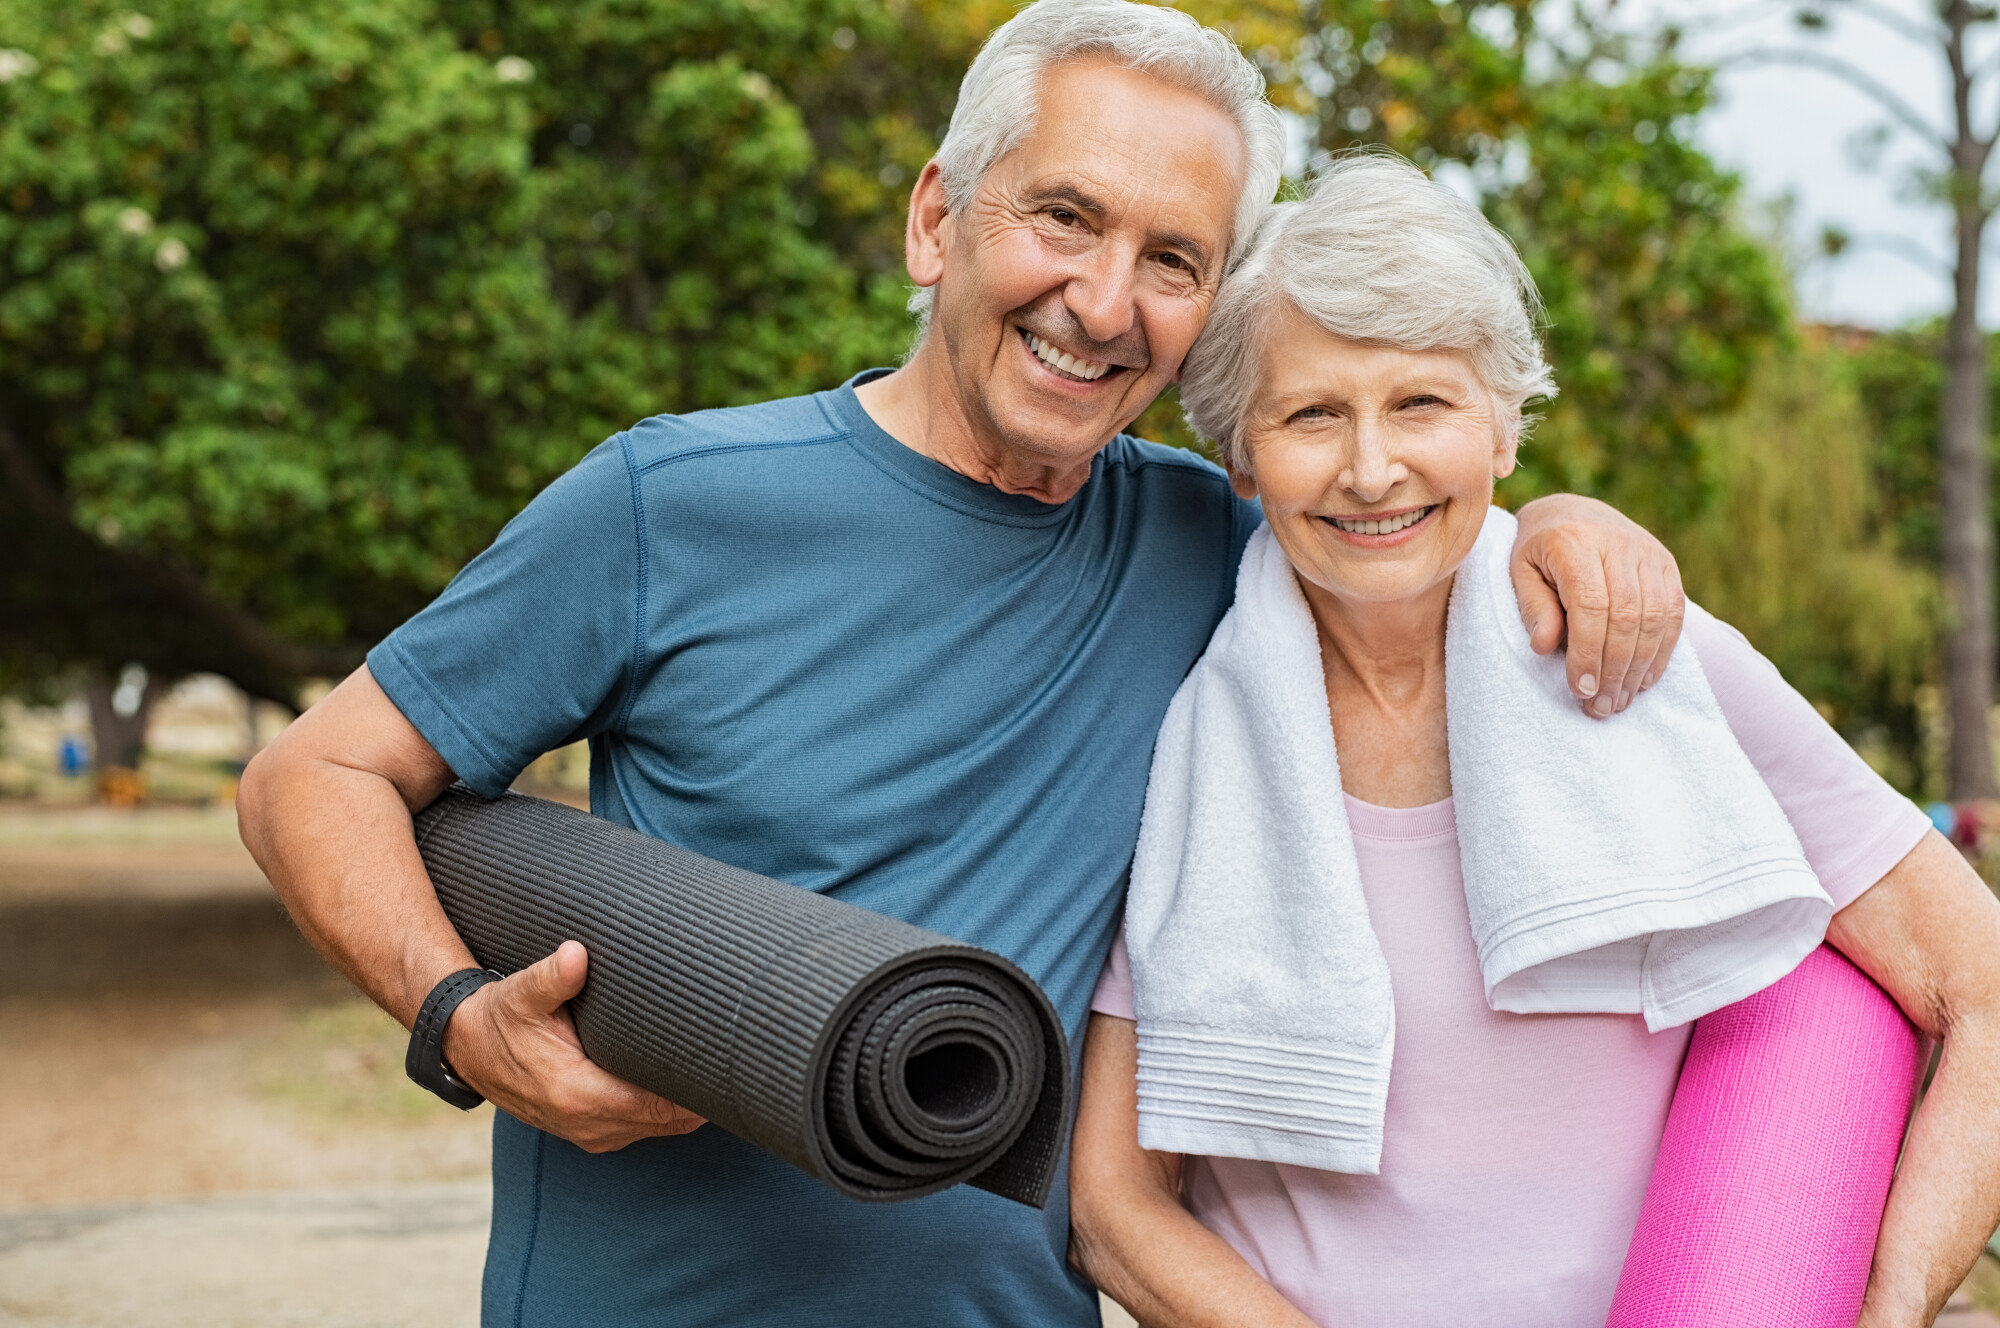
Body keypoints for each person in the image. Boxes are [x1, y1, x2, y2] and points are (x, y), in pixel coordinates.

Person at [235, 5, 1687, 1326]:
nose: (1106, 302)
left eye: (1172, 261)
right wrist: (452, 1020)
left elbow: (1393, 495)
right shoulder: (667, 504)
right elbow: (318, 772)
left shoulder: (1215, 551)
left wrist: (1557, 521)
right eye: (1064, 217)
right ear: (937, 218)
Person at [1067, 153, 2000, 1328]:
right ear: (1240, 459)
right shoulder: (1177, 724)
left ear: (1502, 428)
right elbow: (1114, 1204)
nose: (1370, 468)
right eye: (1311, 413)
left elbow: (1981, 984)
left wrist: (1891, 1294)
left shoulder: (1655, 666)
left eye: (1421, 402)